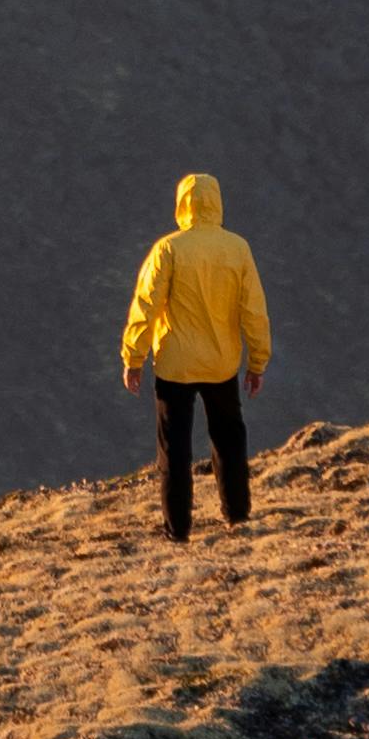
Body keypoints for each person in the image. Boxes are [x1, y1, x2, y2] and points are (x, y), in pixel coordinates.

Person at [120, 169, 270, 545]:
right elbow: (254, 310)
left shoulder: (169, 248)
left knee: (175, 447)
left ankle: (178, 529)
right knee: (229, 439)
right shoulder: (237, 248)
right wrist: (257, 362)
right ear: (217, 203)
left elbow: (146, 305)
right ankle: (237, 514)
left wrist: (133, 357)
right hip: (221, 363)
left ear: (182, 204)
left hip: (175, 365)